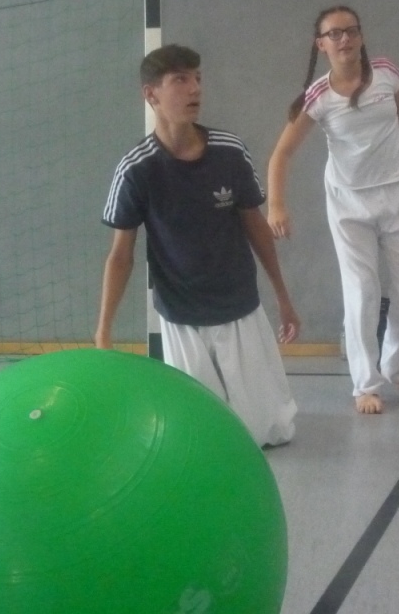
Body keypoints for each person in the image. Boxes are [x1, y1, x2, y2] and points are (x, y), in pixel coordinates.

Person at [94, 44, 299, 447]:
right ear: (151, 94)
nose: (195, 89)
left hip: (238, 305)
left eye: (198, 79)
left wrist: (283, 297)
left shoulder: (229, 151)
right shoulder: (136, 169)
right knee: (201, 437)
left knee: (266, 433)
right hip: (181, 314)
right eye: (180, 80)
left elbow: (256, 227)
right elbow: (121, 256)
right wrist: (104, 330)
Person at [267, 6, 399, 415]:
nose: (344, 39)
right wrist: (277, 205)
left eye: (351, 31)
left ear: (361, 36)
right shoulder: (317, 97)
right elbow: (281, 154)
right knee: (362, 291)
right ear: (321, 45)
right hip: (348, 204)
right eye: (334, 34)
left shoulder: (387, 74)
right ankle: (364, 385)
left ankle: (393, 366)